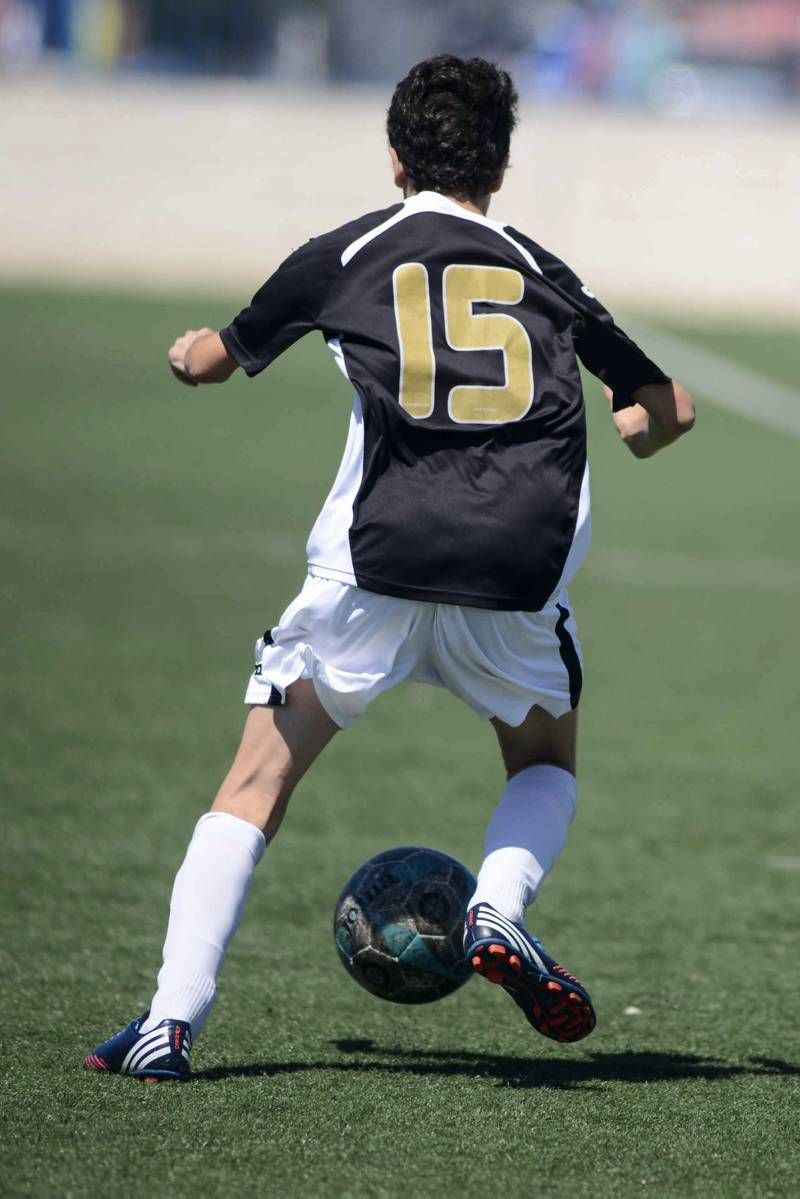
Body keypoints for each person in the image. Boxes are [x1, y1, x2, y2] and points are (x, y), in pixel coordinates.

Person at [83, 54, 695, 1081]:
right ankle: (494, 908)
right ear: (499, 167)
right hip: (514, 568)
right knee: (541, 763)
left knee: (252, 785)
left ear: (394, 157)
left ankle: (168, 1022)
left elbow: (215, 358)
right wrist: (635, 427)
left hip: (374, 565)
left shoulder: (347, 251)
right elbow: (666, 405)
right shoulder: (540, 267)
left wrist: (187, 351)